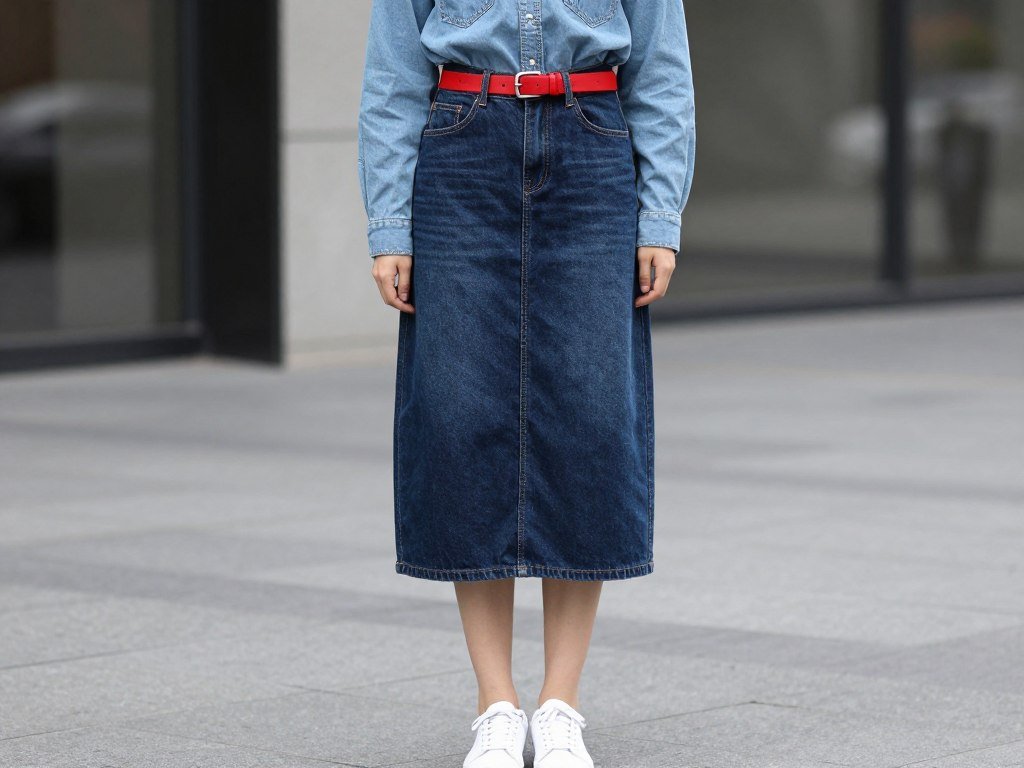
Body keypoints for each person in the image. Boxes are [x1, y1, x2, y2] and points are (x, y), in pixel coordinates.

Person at [357, 1, 695, 766]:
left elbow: (662, 67)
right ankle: (496, 704)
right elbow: (393, 73)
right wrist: (389, 225)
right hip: (460, 145)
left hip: (594, 140)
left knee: (592, 417)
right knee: (457, 413)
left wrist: (659, 216)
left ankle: (561, 705)